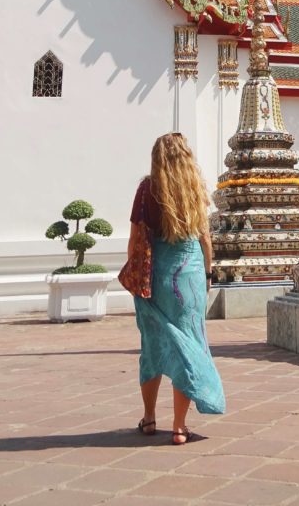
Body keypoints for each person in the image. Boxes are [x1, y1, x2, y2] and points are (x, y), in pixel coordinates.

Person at [129, 132, 225, 443]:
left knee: (153, 346)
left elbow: (135, 239)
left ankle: (149, 418)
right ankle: (180, 426)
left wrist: (135, 275)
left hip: (156, 274)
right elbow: (205, 239)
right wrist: (208, 276)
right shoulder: (196, 187)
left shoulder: (147, 189)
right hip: (190, 274)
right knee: (189, 346)